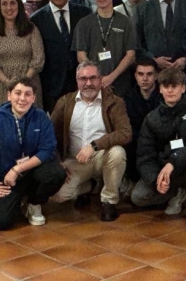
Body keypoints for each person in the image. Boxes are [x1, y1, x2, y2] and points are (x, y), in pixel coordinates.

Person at [0, 78, 66, 230]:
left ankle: (34, 203)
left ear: (34, 98)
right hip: (6, 176)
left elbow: (48, 150)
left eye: (28, 94)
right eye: (18, 93)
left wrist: (17, 169)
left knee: (57, 173)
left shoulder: (41, 117)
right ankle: (18, 200)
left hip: (33, 171)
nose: (22, 98)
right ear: (9, 95)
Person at [131, 67, 186, 229]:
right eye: (166, 86)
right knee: (138, 197)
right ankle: (177, 193)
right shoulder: (152, 118)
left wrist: (174, 161)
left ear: (183, 88)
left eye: (174, 86)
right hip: (166, 174)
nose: (170, 90)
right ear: (160, 88)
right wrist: (156, 180)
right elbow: (144, 156)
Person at [50, 62, 133, 221]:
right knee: (57, 195)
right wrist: (57, 163)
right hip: (74, 161)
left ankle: (109, 201)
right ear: (77, 80)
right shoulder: (65, 102)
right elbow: (50, 135)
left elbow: (125, 133)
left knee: (117, 153)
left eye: (93, 78)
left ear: (101, 79)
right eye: (83, 78)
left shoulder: (114, 102)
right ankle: (91, 186)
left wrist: (94, 145)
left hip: (101, 158)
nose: (88, 83)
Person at [30, 0, 91, 111]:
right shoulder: (36, 19)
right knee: (57, 128)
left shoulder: (84, 13)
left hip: (81, 83)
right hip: (52, 86)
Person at [73, 0, 137, 98]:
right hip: (92, 86)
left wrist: (111, 77)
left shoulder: (125, 22)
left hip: (121, 85)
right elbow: (81, 55)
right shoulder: (84, 23)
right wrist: (96, 77)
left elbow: (130, 55)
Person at [0, 0, 45, 110]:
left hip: (29, 83)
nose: (9, 7)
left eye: (12, 3)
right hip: (2, 86)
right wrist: (8, 83)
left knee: (30, 123)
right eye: (4, 4)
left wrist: (23, 83)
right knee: (4, 123)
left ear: (19, 5)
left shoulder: (31, 29)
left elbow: (39, 58)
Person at [122, 58, 162, 190]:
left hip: (160, 142)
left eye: (149, 74)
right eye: (140, 74)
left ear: (156, 76)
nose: (144, 78)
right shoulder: (128, 98)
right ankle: (132, 179)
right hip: (137, 142)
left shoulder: (165, 96)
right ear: (135, 75)